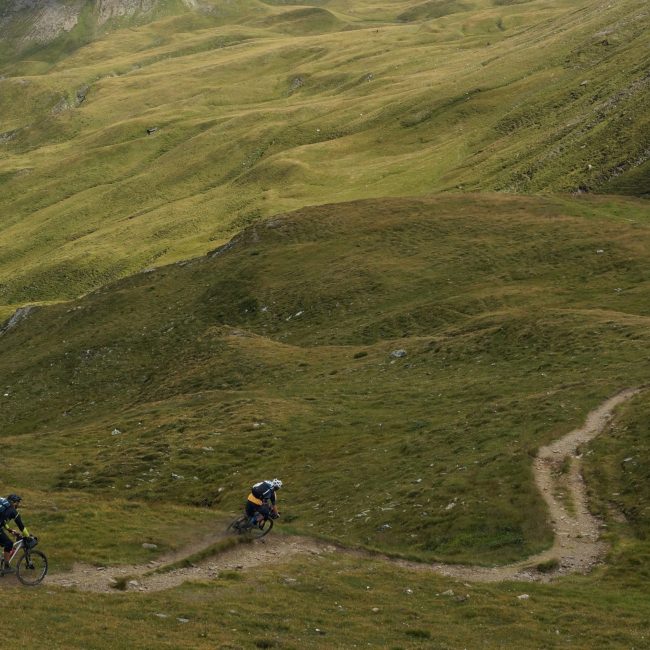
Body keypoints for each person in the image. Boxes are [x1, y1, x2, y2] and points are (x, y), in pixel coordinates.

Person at [0, 494, 30, 574]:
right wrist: (28, 536)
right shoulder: (13, 510)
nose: (18, 505)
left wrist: (9, 530)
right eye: (17, 503)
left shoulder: (3, 504)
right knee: (8, 543)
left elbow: (2, 521)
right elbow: (21, 526)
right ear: (13, 502)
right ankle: (6, 567)